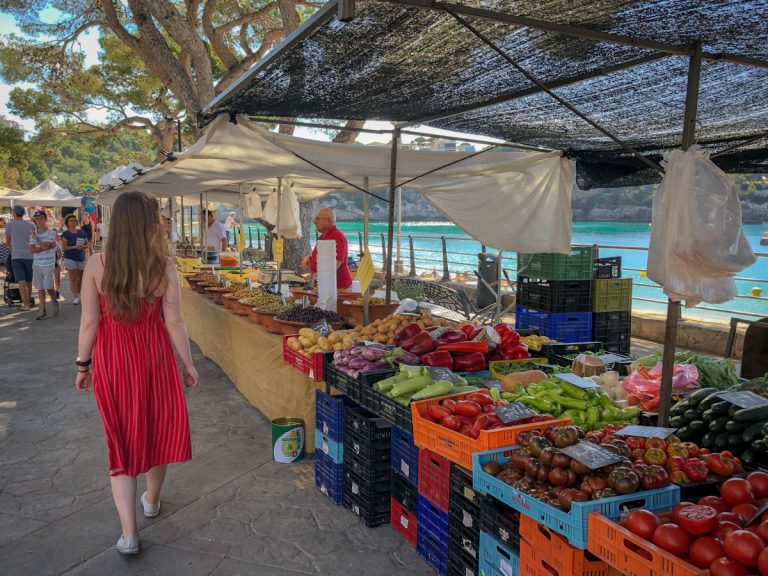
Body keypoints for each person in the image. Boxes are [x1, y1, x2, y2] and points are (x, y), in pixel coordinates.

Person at [74, 190, 198, 556]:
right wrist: (188, 365)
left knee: (122, 440)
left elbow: (88, 323)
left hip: (114, 360)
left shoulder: (97, 264)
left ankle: (129, 535)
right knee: (157, 430)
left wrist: (83, 366)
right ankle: (152, 499)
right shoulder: (164, 266)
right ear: (148, 224)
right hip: (155, 356)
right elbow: (173, 321)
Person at [300, 207, 353, 290]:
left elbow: (336, 263)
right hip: (324, 286)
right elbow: (323, 258)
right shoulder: (322, 237)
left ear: (328, 221)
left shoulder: (337, 236)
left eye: (317, 219)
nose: (315, 222)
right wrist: (310, 258)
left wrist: (316, 275)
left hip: (338, 287)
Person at [29, 210, 59, 320]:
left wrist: (38, 240)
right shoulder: (33, 233)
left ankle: (54, 300)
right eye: (37, 219)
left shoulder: (51, 232)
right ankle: (42, 310)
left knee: (48, 286)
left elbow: (44, 247)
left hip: (48, 263)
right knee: (40, 288)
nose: (39, 221)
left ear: (45, 220)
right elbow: (31, 249)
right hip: (37, 263)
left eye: (41, 218)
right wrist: (45, 246)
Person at [6, 205, 35, 310]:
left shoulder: (10, 225)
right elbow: (35, 239)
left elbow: (8, 242)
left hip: (17, 255)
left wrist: (13, 249)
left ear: (14, 213)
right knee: (29, 281)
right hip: (30, 255)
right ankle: (28, 300)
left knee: (21, 280)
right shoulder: (31, 224)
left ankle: (26, 304)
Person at [60, 214, 88, 304]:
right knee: (73, 278)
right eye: (71, 221)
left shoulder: (82, 232)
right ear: (67, 223)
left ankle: (80, 293)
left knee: (80, 278)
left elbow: (87, 244)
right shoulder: (65, 234)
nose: (73, 222)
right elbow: (64, 247)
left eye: (74, 220)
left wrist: (82, 247)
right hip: (70, 257)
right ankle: (75, 297)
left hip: (80, 257)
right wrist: (74, 247)